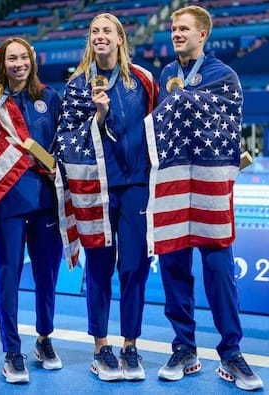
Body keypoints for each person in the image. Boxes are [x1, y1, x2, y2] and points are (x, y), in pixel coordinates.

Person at [152, 6, 262, 390]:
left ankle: (230, 353)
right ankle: (185, 348)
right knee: (174, 271)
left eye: (184, 28)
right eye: (173, 28)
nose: (176, 34)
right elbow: (159, 126)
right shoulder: (165, 74)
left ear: (203, 35)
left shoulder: (223, 76)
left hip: (209, 190)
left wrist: (186, 99)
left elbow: (228, 122)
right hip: (173, 186)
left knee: (218, 273)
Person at [53, 13, 157, 382]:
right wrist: (98, 117)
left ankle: (130, 345)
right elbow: (65, 139)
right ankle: (101, 347)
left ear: (119, 38)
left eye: (106, 31)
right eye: (94, 31)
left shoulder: (142, 80)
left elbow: (157, 129)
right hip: (94, 189)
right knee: (98, 267)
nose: (100, 36)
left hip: (136, 188)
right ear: (90, 40)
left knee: (133, 267)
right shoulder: (78, 84)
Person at [0, 37, 63, 384]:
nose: (18, 64)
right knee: (7, 275)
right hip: (8, 203)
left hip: (45, 204)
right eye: (12, 58)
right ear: (3, 63)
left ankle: (44, 339)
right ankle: (12, 351)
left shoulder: (50, 98)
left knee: (47, 276)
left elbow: (63, 144)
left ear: (32, 60)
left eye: (23, 57)